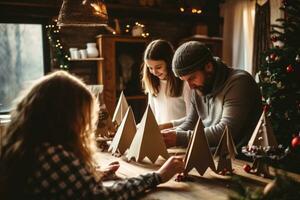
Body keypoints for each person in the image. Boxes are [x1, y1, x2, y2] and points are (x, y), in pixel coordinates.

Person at [0, 71, 184, 199]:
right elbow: (102, 197)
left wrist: (90, 176)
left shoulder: (25, 144)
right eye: (83, 116)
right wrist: (157, 176)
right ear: (64, 116)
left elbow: (67, 189)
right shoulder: (52, 155)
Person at [162, 41, 262, 150]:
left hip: (242, 160)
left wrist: (179, 137)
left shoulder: (240, 82)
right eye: (185, 81)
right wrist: (169, 135)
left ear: (208, 67)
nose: (190, 87)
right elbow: (192, 123)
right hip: (213, 155)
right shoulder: (200, 87)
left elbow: (225, 132)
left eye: (192, 78)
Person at [141, 39, 191, 129]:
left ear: (169, 63)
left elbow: (193, 119)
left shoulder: (185, 84)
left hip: (180, 137)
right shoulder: (154, 84)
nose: (154, 72)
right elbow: (151, 116)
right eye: (150, 68)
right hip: (160, 137)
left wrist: (167, 126)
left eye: (158, 67)